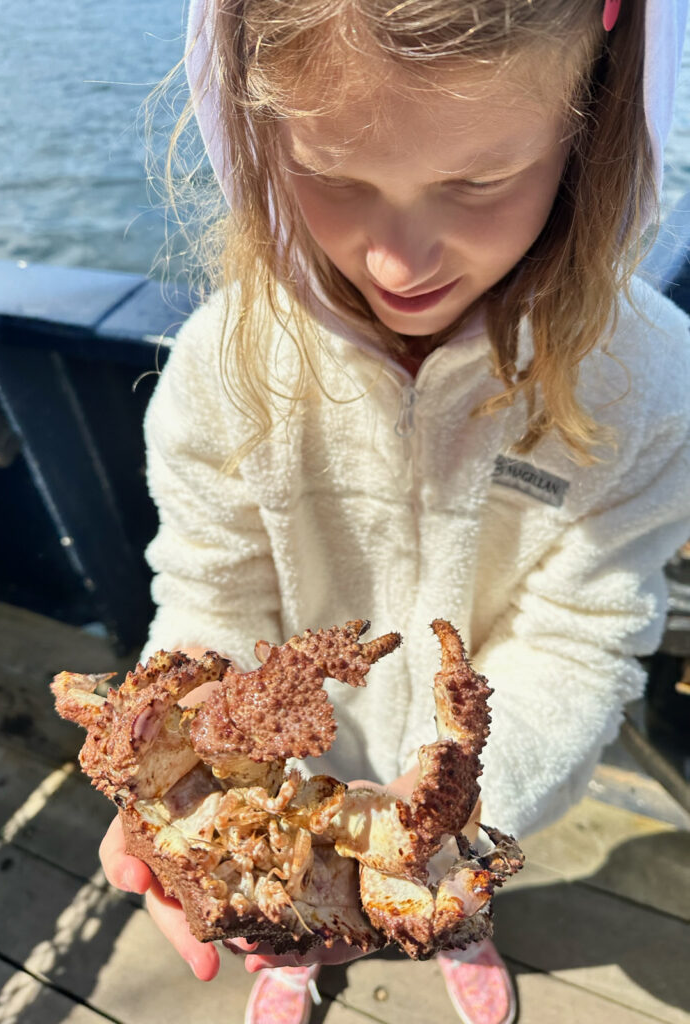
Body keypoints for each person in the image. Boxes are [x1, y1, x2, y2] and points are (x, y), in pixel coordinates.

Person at [100, 2, 690, 1022]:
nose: (399, 263)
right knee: (281, 903)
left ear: (589, 128)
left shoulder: (652, 382)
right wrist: (182, 774)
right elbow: (208, 590)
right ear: (253, 129)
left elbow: (583, 631)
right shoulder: (217, 366)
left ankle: (459, 926)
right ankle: (288, 953)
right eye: (332, 177)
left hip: (482, 798)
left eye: (477, 182)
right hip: (289, 785)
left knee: (452, 888)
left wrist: (444, 818)